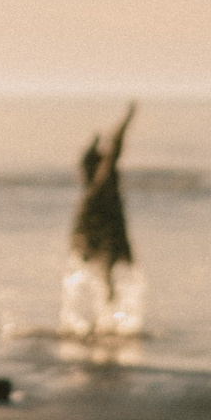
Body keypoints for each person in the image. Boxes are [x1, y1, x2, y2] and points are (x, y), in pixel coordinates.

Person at [70, 102, 137, 292]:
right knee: (108, 272)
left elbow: (91, 159)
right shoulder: (104, 182)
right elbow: (114, 149)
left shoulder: (90, 189)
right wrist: (126, 120)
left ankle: (100, 313)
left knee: (90, 271)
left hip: (89, 224)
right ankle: (107, 312)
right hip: (107, 225)